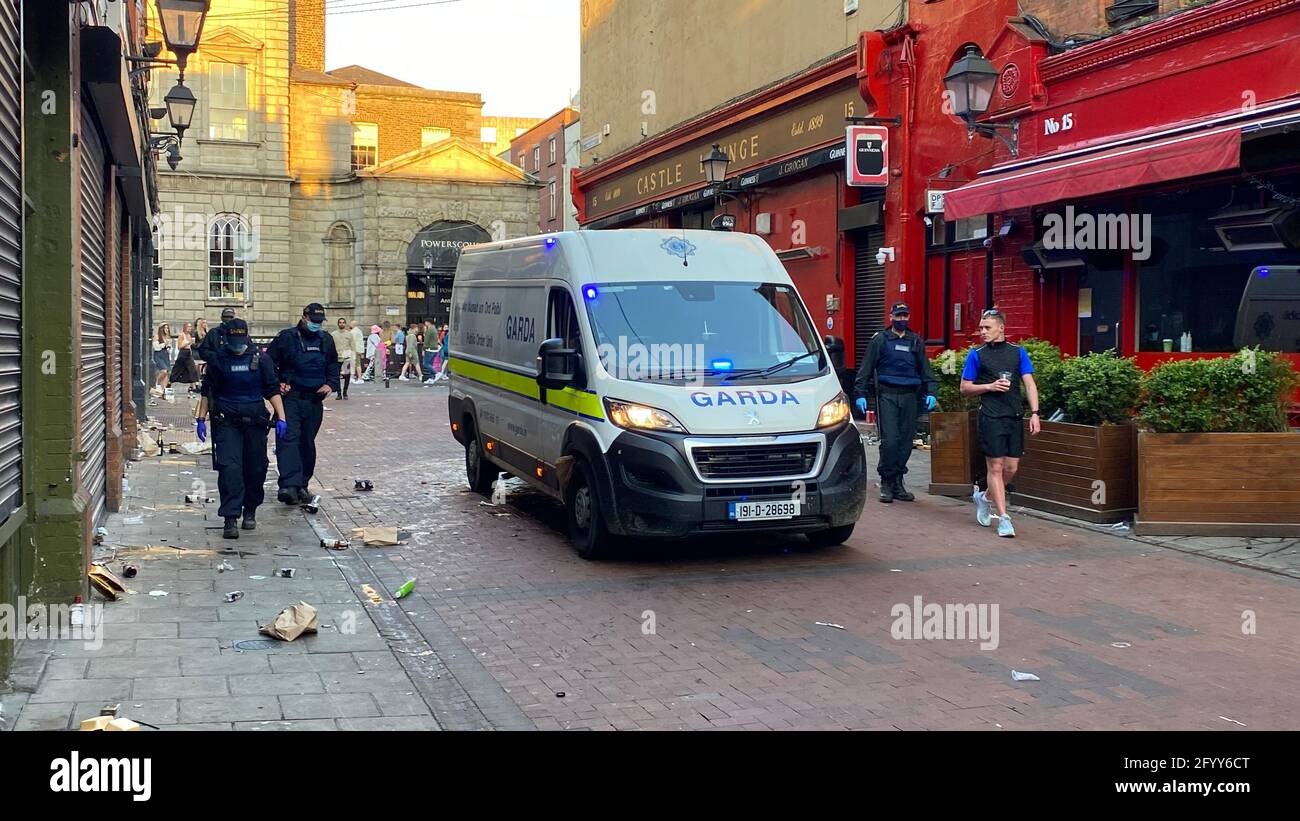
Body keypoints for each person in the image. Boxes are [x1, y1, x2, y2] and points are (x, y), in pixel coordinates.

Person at [194, 319, 287, 539]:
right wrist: (201, 418)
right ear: (226, 338)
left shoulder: (260, 359)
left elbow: (272, 389)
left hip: (255, 422)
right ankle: (230, 517)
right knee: (230, 469)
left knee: (255, 469)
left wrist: (282, 417)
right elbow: (208, 392)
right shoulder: (218, 361)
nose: (238, 344)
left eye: (241, 339)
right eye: (233, 339)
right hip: (227, 423)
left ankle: (250, 509)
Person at [960, 308, 1041, 538]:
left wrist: (1035, 413)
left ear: (1001, 328)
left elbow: (1030, 383)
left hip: (1014, 416)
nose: (982, 332)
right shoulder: (977, 354)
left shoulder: (1018, 353)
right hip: (990, 417)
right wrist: (989, 386)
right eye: (981, 328)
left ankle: (984, 498)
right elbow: (965, 388)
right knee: (994, 467)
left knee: (1011, 468)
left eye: (987, 328)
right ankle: (1004, 518)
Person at [852, 303, 937, 503]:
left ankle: (898, 481)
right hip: (887, 395)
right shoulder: (880, 340)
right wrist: (860, 394)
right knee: (890, 441)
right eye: (898, 315)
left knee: (906, 442)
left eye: (905, 315)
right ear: (891, 316)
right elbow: (866, 369)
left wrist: (932, 391)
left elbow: (926, 370)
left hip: (910, 396)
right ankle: (887, 482)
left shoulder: (915, 341)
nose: (902, 319)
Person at [267, 303, 340, 505]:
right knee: (289, 440)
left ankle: (301, 485)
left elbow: (333, 364)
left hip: (314, 400)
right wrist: (277, 384)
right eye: (313, 321)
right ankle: (289, 485)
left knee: (307, 443)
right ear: (304, 317)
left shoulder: (326, 339)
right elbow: (268, 362)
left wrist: (331, 384)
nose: (316, 325)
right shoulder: (287, 337)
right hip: (291, 399)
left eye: (319, 322)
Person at [330, 317, 356, 399]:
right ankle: (339, 393)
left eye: (343, 322)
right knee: (336, 376)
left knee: (347, 376)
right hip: (336, 358)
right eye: (340, 322)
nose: (342, 324)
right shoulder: (333, 334)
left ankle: (345, 392)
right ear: (338, 324)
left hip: (347, 358)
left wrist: (353, 357)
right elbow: (330, 346)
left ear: (345, 324)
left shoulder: (349, 334)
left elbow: (353, 346)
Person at [170, 322, 200, 388]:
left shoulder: (189, 335)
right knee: (177, 368)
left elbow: (190, 346)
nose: (190, 328)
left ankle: (196, 385)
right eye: (188, 327)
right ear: (185, 327)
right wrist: (188, 343)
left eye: (190, 327)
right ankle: (170, 382)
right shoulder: (181, 335)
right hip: (183, 353)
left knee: (192, 368)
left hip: (188, 353)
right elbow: (179, 346)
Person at [151, 324, 172, 395]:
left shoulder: (167, 337)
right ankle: (157, 384)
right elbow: (156, 347)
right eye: (165, 328)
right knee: (164, 371)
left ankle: (163, 390)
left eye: (167, 328)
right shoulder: (157, 337)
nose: (166, 329)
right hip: (159, 355)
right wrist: (164, 343)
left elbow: (169, 347)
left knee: (167, 373)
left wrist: (168, 346)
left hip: (165, 355)